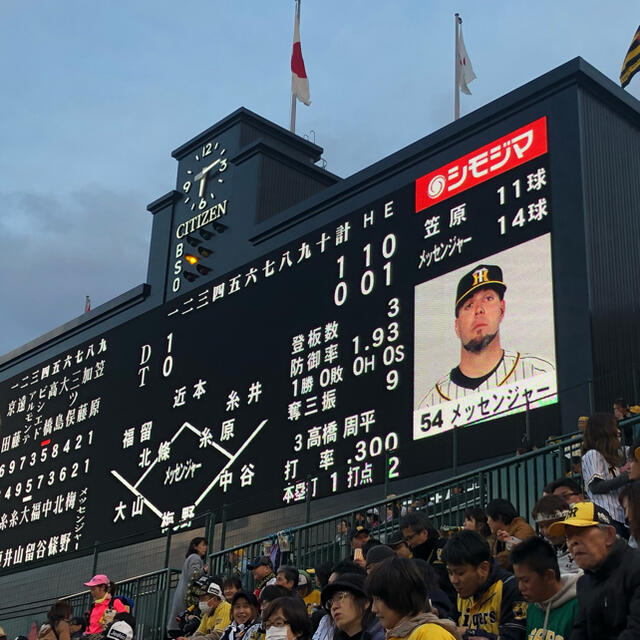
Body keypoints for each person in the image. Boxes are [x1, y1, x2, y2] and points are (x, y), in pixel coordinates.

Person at [418, 264, 554, 408]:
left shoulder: (538, 372)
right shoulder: (431, 403)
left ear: (501, 310)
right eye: (468, 305)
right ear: (457, 326)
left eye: (488, 298)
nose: (479, 310)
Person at [547, 500, 640, 639]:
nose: (573, 542)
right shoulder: (584, 583)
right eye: (568, 537)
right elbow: (580, 632)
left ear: (609, 535)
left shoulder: (635, 569)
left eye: (581, 532)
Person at [442, 529, 527, 640]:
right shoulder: (463, 591)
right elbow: (450, 625)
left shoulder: (510, 588)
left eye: (460, 573)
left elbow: (514, 637)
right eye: (450, 572)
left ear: (483, 568)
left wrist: (468, 633)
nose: (454, 580)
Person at [365, 556, 458, 640]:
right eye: (373, 599)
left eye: (378, 599)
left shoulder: (431, 634)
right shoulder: (397, 635)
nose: (373, 609)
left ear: (400, 596)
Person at [510, 537, 579, 640]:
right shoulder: (531, 606)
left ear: (549, 576)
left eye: (525, 580)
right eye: (518, 580)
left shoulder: (577, 607)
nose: (520, 587)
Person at [581, 412, 629, 536]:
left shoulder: (614, 457)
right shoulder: (592, 454)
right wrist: (626, 476)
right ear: (604, 431)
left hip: (621, 517)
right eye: (615, 428)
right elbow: (596, 487)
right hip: (606, 516)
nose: (618, 432)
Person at [399, 513, 452, 602]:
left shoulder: (445, 547)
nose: (408, 544)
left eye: (410, 538)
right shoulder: (413, 558)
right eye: (406, 540)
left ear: (424, 533)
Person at [320, 573, 384, 640]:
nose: (334, 607)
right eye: (330, 604)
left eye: (340, 597)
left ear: (366, 601)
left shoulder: (385, 636)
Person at [168, 537, 210, 635]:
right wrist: (204, 571)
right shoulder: (195, 557)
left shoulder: (190, 558)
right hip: (187, 603)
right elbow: (193, 575)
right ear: (195, 546)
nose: (205, 548)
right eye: (203, 545)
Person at [530, 495, 579, 574]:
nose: (546, 532)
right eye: (541, 526)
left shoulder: (581, 545)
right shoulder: (540, 548)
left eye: (550, 525)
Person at [485, 499, 535, 570]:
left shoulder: (523, 529)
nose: (487, 522)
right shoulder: (498, 536)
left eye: (488, 518)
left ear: (499, 517)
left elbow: (511, 557)